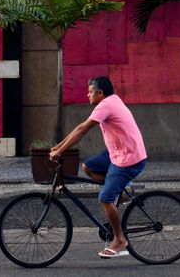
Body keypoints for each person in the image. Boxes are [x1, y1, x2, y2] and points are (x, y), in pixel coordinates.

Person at [50, 76, 147, 259]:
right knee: (87, 167)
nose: (88, 95)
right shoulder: (112, 100)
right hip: (116, 153)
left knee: (105, 199)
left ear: (100, 93)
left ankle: (120, 240)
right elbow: (79, 127)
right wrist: (58, 147)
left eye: (90, 92)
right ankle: (121, 191)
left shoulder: (105, 105)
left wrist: (60, 150)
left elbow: (82, 130)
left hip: (128, 158)